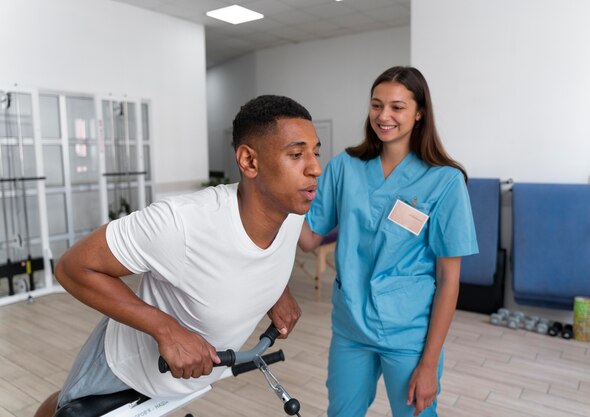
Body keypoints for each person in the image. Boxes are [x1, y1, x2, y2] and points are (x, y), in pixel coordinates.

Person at [35, 94, 322, 417]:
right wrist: (167, 330)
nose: (315, 168)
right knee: (64, 410)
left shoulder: (292, 211)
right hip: (127, 367)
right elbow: (72, 267)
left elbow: (248, 256)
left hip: (190, 379)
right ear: (249, 161)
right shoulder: (182, 223)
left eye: (315, 152)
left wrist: (275, 289)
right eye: (297, 154)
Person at [299, 66, 478, 417]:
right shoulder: (344, 167)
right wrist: (273, 193)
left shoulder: (444, 181)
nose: (384, 116)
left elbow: (449, 281)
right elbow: (308, 240)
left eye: (397, 107)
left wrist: (428, 364)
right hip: (351, 327)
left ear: (419, 111)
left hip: (409, 333)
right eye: (376, 105)